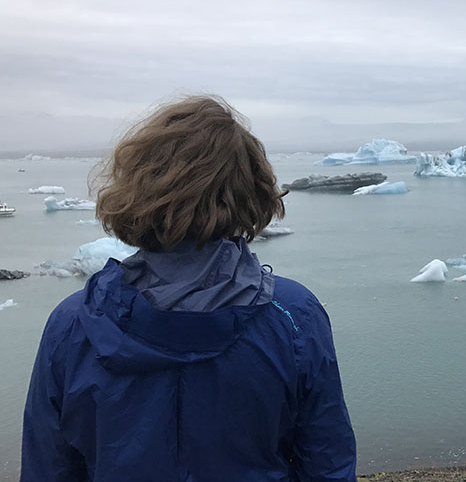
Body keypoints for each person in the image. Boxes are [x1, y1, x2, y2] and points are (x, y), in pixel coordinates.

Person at [20, 95, 356, 482]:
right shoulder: (293, 316)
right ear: (254, 191)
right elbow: (328, 463)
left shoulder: (74, 323)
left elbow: (49, 466)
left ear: (136, 188)